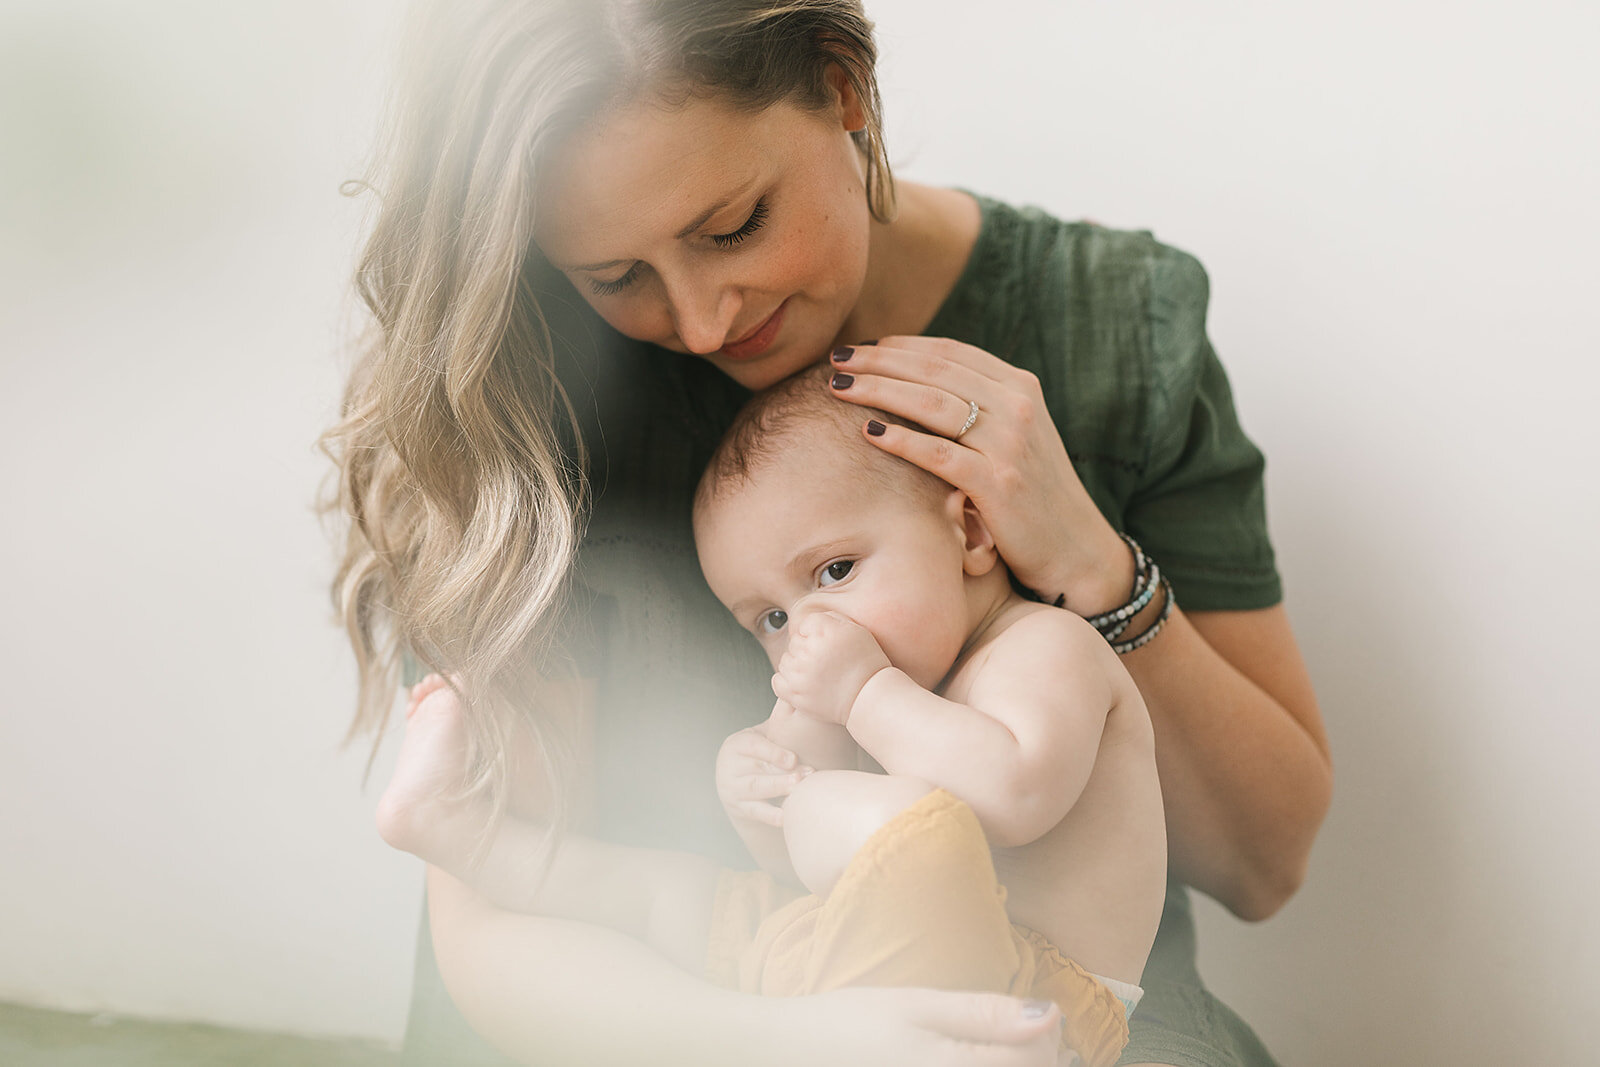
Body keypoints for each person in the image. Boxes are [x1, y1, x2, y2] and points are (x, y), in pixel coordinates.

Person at [323, 1, 1333, 1064]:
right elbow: (492, 934)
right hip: (641, 1015)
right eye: (616, 277)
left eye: (733, 225)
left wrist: (1086, 559)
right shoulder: (525, 400)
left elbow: (1264, 865)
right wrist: (787, 1034)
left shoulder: (1117, 325)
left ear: (841, 84)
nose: (705, 320)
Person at [375, 363, 1168, 1066]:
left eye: (834, 570)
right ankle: (457, 827)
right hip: (839, 964)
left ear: (967, 530)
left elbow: (1012, 796)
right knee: (668, 893)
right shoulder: (884, 682)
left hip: (1028, 995)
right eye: (770, 620)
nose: (810, 629)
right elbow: (802, 863)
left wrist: (859, 700)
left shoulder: (1043, 647)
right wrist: (763, 789)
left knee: (908, 822)